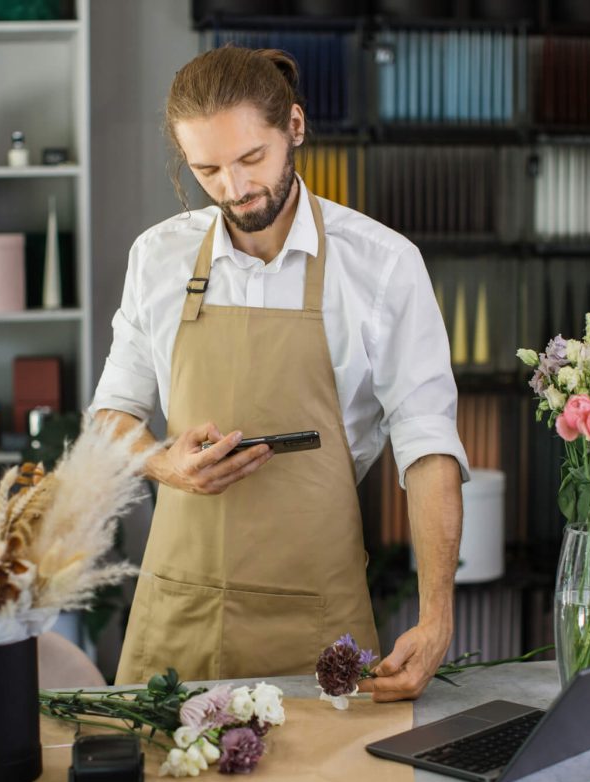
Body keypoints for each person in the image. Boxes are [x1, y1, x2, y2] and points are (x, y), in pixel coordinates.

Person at [91, 45, 469, 701]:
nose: (234, 189)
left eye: (251, 159)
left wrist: (437, 615)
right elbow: (110, 415)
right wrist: (161, 463)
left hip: (317, 617)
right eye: (206, 169)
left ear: (293, 128)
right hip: (179, 611)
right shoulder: (158, 257)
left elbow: (427, 442)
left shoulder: (381, 264)